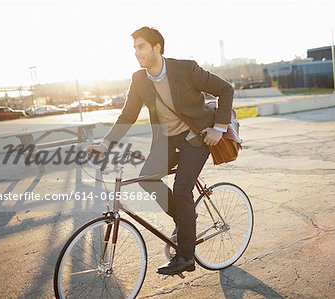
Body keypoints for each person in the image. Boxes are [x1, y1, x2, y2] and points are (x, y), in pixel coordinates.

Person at [87, 26, 234, 275]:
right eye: (134, 48)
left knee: (181, 188)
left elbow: (225, 89)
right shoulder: (139, 79)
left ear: (157, 47)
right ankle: (184, 221)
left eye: (141, 46)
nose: (137, 52)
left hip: (197, 137)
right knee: (147, 178)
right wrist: (105, 144)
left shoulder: (186, 69)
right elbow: (128, 114)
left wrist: (219, 128)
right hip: (168, 139)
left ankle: (186, 257)